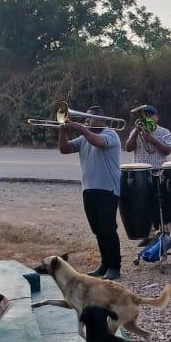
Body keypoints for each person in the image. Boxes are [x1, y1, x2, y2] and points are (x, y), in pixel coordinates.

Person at [59, 106, 122, 279]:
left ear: (102, 120)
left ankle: (115, 267)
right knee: (98, 230)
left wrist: (80, 127)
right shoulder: (84, 137)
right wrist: (62, 132)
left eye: (90, 117)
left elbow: (98, 142)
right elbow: (64, 149)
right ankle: (105, 264)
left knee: (108, 229)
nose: (86, 120)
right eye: (85, 117)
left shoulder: (111, 134)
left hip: (107, 190)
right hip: (89, 189)